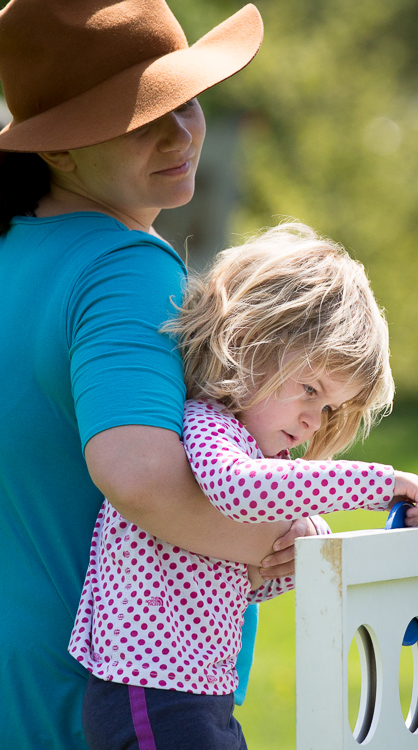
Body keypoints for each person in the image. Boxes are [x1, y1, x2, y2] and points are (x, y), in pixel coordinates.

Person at [0, 2, 317, 748]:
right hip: (106, 689)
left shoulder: (15, 253)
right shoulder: (123, 267)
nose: (178, 134)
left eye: (184, 102)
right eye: (139, 117)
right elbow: (138, 475)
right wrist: (278, 541)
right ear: (59, 151)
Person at [69, 222, 418, 749]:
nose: (314, 419)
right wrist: (380, 484)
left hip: (195, 688)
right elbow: (240, 492)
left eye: (329, 407)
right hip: (150, 685)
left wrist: (294, 549)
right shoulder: (208, 423)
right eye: (309, 389)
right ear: (250, 343)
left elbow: (245, 579)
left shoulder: (246, 446)